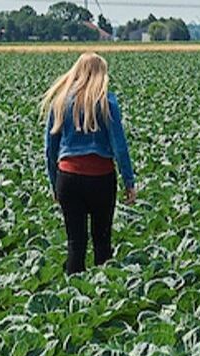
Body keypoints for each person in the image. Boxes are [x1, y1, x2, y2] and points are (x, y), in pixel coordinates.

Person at [42, 53, 138, 275]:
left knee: (75, 243)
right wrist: (129, 181)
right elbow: (119, 146)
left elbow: (50, 148)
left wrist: (54, 182)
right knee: (102, 242)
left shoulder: (60, 100)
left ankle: (72, 293)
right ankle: (103, 294)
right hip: (101, 178)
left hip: (68, 178)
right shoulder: (106, 102)